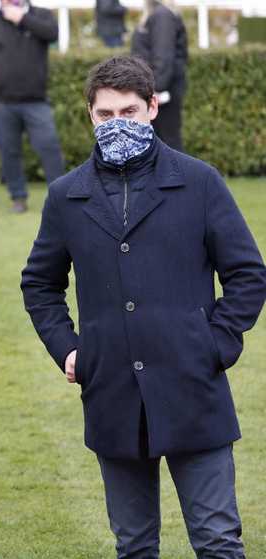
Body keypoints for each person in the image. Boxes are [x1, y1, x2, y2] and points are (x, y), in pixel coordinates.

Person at [21, 55, 266, 558]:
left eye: (128, 112)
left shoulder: (200, 182)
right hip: (111, 390)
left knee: (218, 541)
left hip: (193, 384)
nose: (117, 125)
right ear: (90, 114)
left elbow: (246, 273)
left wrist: (216, 342)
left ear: (152, 107)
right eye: (106, 115)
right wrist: (68, 349)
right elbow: (39, 284)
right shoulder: (67, 196)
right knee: (133, 546)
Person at [0, 0, 65, 214]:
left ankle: (61, 197)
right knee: (9, 151)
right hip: (2, 101)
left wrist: (22, 18)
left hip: (36, 101)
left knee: (49, 147)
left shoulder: (41, 14)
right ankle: (18, 197)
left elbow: (52, 33)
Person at [131, 0, 187, 151]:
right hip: (158, 90)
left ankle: (177, 175)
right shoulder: (159, 14)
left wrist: (154, 89)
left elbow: (163, 57)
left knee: (167, 145)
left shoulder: (162, 15)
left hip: (161, 93)